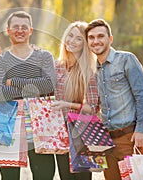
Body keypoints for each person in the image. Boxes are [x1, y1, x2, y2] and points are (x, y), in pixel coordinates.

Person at [0, 10, 56, 180]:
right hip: (9, 127)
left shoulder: (44, 57)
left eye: (24, 27)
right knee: (9, 177)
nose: (20, 30)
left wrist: (14, 81)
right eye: (15, 27)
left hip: (40, 127)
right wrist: (35, 85)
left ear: (30, 30)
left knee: (44, 175)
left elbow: (49, 85)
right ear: (8, 30)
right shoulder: (0, 61)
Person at [85, 19, 143, 180]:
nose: (96, 41)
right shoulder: (94, 70)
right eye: (91, 38)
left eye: (100, 36)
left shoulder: (126, 60)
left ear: (110, 39)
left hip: (129, 139)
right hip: (107, 143)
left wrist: (141, 129)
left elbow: (142, 96)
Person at [51, 21, 99, 180]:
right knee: (65, 176)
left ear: (85, 44)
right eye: (70, 36)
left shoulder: (89, 71)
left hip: (82, 131)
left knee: (83, 177)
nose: (71, 41)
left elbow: (92, 109)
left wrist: (67, 105)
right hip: (60, 131)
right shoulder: (55, 66)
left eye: (78, 38)